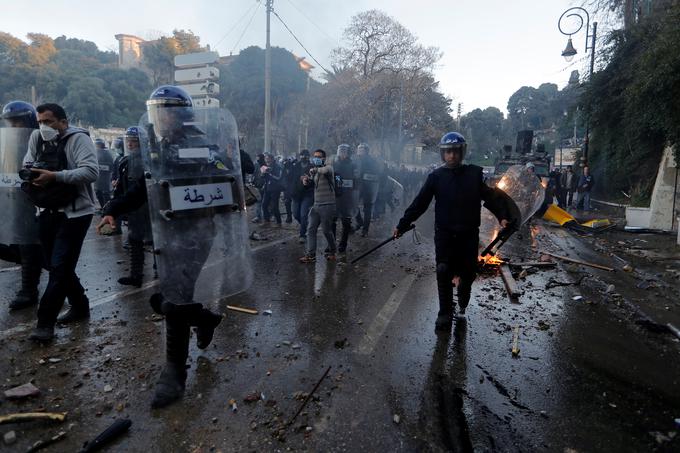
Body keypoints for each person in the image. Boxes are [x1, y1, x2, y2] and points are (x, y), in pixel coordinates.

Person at [98, 85, 251, 408]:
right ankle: (205, 319)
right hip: (167, 235)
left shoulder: (201, 146)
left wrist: (222, 159)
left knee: (173, 299)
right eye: (157, 112)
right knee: (167, 298)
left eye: (167, 111)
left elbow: (234, 175)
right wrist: (111, 209)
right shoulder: (159, 148)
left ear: (183, 115)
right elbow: (143, 188)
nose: (161, 118)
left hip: (197, 234)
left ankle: (174, 372)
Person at [393, 132, 513, 331]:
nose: (452, 156)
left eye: (456, 151)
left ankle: (463, 297)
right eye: (448, 152)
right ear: (443, 154)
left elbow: (491, 197)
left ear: (462, 152)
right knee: (443, 270)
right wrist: (403, 225)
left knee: (467, 274)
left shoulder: (474, 175)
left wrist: (502, 216)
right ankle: (445, 313)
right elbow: (419, 204)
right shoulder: (435, 177)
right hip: (445, 234)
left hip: (468, 235)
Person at [23, 103, 99, 342]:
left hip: (75, 213)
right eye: (40, 122)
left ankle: (44, 323)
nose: (43, 127)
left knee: (60, 267)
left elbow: (90, 172)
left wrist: (55, 176)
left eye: (49, 121)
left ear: (63, 122)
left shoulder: (78, 139)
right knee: (54, 264)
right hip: (46, 210)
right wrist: (32, 176)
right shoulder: (37, 138)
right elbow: (27, 164)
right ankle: (80, 305)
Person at [0, 101, 44, 310]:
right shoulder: (5, 145)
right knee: (16, 246)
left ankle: (29, 291)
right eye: (10, 123)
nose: (13, 127)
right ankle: (40, 264)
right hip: (10, 202)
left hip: (35, 203)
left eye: (17, 122)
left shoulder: (41, 141)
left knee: (28, 245)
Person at [102, 126, 151, 287]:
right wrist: (114, 207)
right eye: (128, 141)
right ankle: (135, 275)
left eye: (134, 142)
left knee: (157, 241)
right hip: (133, 205)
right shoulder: (124, 162)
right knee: (134, 240)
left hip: (150, 206)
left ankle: (162, 272)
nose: (130, 145)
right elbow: (121, 189)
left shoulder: (151, 161)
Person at [300, 149, 337, 263]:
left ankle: (333, 251)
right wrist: (306, 181)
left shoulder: (329, 168)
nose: (316, 158)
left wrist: (315, 170)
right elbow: (311, 183)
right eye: (315, 156)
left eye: (319, 157)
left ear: (324, 158)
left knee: (326, 231)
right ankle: (311, 255)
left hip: (327, 205)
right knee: (311, 229)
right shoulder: (315, 173)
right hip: (316, 205)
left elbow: (324, 170)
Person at [332, 144, 358, 254]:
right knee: (332, 220)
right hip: (336, 196)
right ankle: (331, 243)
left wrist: (355, 194)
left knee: (346, 221)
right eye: (340, 151)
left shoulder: (353, 165)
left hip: (348, 197)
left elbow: (356, 180)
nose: (342, 154)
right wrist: (338, 180)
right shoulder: (334, 163)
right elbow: (334, 175)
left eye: (344, 152)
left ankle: (343, 243)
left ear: (348, 153)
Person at [355, 143, 380, 237]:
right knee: (353, 205)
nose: (359, 151)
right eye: (359, 149)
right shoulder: (355, 160)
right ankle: (360, 222)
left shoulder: (372, 161)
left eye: (361, 150)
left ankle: (365, 230)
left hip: (368, 188)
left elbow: (378, 173)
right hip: (357, 187)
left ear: (366, 151)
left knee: (367, 209)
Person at [291, 149, 314, 243]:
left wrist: (308, 181)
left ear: (308, 157)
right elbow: (290, 179)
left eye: (306, 155)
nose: (304, 157)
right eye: (302, 155)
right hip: (296, 194)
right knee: (296, 214)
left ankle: (302, 234)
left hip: (307, 194)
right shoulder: (295, 166)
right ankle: (306, 225)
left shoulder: (312, 167)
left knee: (303, 215)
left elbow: (315, 180)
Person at [261, 152, 283, 225]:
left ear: (272, 159)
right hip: (267, 188)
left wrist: (270, 173)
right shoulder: (265, 166)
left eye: (268, 159)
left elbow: (279, 177)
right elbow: (263, 177)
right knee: (264, 205)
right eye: (266, 159)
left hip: (275, 189)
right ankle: (267, 220)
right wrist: (263, 174)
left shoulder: (277, 166)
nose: (267, 160)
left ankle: (278, 221)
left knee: (274, 206)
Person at [94, 138, 113, 210]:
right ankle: (103, 208)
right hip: (97, 177)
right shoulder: (95, 152)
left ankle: (108, 209)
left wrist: (100, 167)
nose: (97, 146)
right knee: (98, 192)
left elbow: (111, 166)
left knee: (105, 193)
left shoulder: (107, 153)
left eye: (98, 144)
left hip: (105, 177)